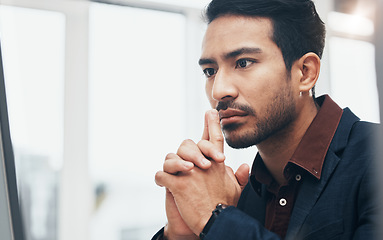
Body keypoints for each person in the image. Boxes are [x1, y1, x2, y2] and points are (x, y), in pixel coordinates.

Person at [153, 0, 378, 239]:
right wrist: (182, 235)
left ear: (305, 72)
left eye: (243, 63)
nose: (218, 91)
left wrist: (215, 219)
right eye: (210, 71)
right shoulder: (238, 199)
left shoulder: (374, 158)